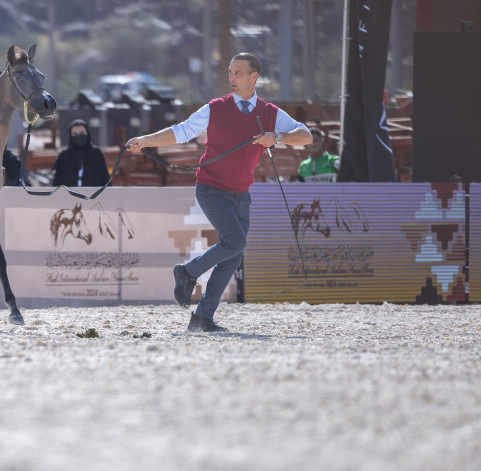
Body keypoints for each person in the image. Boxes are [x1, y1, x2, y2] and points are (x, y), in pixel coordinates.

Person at [126, 53, 312, 333]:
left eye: (238, 72)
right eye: (230, 73)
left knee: (233, 254)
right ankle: (187, 272)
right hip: (211, 188)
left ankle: (203, 318)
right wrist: (145, 141)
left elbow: (306, 136)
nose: (232, 78)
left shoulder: (271, 112)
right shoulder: (215, 108)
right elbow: (182, 131)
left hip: (241, 192)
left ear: (254, 77)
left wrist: (279, 138)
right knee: (235, 242)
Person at [52, 119, 109, 187]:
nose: (79, 136)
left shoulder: (95, 153)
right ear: (70, 136)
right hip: (69, 195)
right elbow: (57, 181)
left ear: (87, 133)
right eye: (75, 134)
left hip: (92, 195)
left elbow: (104, 177)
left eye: (82, 133)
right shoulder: (64, 155)